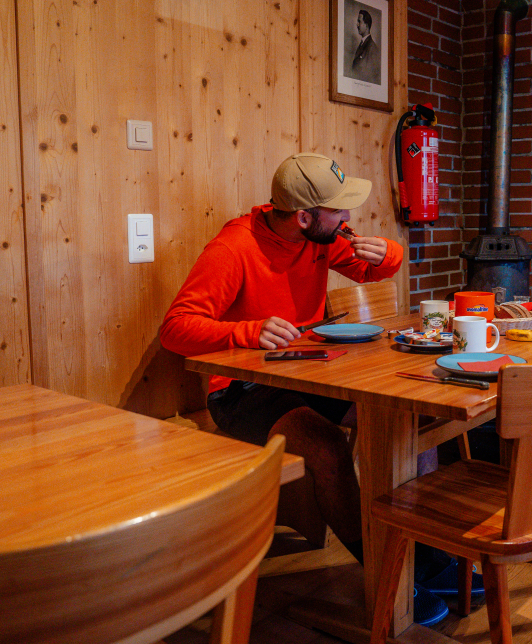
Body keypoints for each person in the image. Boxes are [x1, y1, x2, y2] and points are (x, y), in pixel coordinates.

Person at [159, 152, 470, 625]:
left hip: (311, 370)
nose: (348, 218)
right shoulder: (233, 249)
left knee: (410, 413)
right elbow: (175, 328)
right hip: (241, 390)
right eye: (339, 210)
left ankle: (421, 555)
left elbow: (374, 270)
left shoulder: (321, 238)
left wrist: (389, 251)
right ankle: (386, 571)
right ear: (304, 216)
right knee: (325, 446)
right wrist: (245, 332)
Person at [350, 9, 380, 84]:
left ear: (366, 25)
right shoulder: (362, 44)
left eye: (359, 21)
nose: (357, 24)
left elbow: (373, 76)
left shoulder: (372, 48)